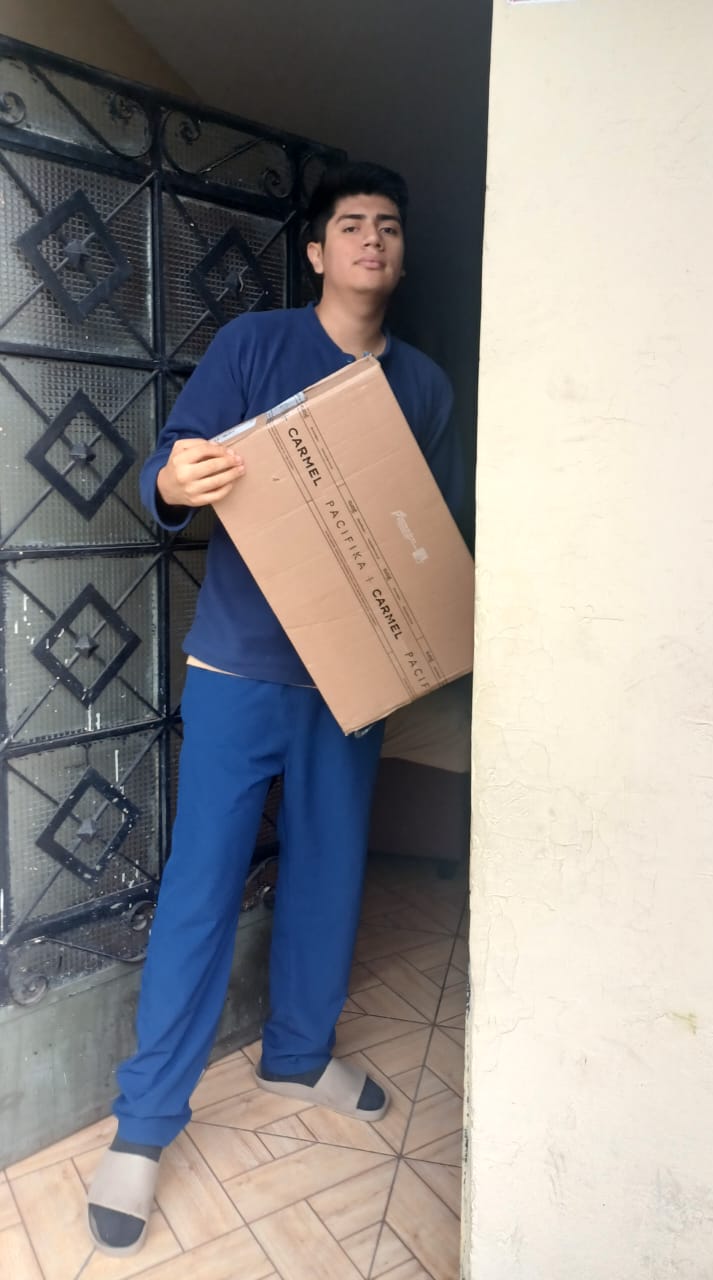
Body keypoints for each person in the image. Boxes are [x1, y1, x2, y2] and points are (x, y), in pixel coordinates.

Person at [87, 161, 463, 1257]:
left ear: (401, 254)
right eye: (351, 225)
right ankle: (144, 1127)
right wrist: (172, 482)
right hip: (241, 666)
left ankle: (299, 1054)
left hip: (354, 679)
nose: (372, 239)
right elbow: (172, 462)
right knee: (202, 881)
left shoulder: (424, 387)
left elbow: (430, 531)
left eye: (389, 226)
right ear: (316, 252)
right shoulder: (257, 345)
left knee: (331, 870)